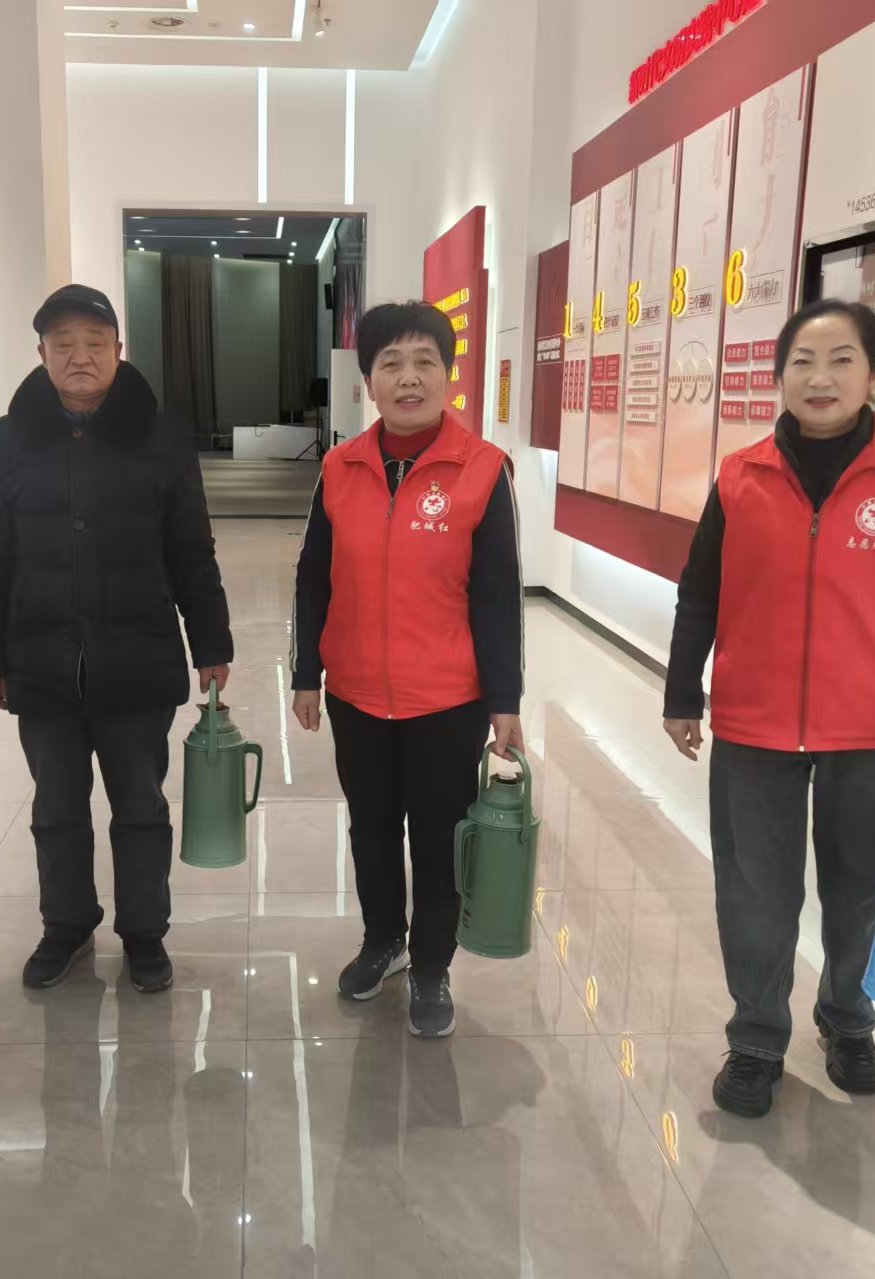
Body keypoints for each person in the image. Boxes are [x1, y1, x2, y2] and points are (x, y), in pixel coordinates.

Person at [661, 299, 875, 1119]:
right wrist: (683, 689)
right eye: (802, 361)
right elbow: (700, 591)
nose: (820, 377)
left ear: (873, 375)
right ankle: (758, 1035)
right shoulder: (741, 476)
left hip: (871, 728)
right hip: (755, 724)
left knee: (860, 889)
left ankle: (847, 1018)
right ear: (780, 376)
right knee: (755, 893)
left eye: (840, 360)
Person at [0, 283, 233, 995]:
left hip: (137, 657)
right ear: (41, 353)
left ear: (118, 350)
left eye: (94, 343)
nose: (79, 356)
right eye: (64, 344)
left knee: (140, 806)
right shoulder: (3, 440)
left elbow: (192, 549)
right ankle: (67, 923)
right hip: (40, 659)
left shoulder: (162, 436)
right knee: (56, 807)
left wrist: (212, 642)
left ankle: (144, 932)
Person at [290, 300, 525, 1039]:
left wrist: (505, 698)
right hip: (357, 693)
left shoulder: (482, 469)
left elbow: (498, 594)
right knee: (370, 829)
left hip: (447, 699)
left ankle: (430, 966)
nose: (409, 378)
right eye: (390, 363)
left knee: (437, 837)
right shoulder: (340, 467)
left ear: (449, 375)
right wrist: (305, 671)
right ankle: (383, 940)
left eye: (425, 361)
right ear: (369, 381)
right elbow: (313, 576)